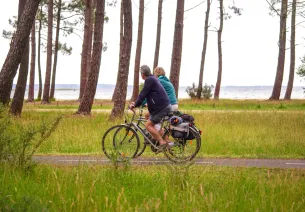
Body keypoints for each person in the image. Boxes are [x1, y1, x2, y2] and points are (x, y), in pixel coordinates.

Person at [129, 65, 171, 150]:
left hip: (161, 108)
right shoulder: (153, 78)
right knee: (152, 122)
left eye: (141, 73)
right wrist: (137, 103)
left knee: (148, 125)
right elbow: (146, 95)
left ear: (143, 74)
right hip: (163, 106)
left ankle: (161, 142)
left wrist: (135, 105)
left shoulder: (149, 80)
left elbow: (143, 93)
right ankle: (167, 141)